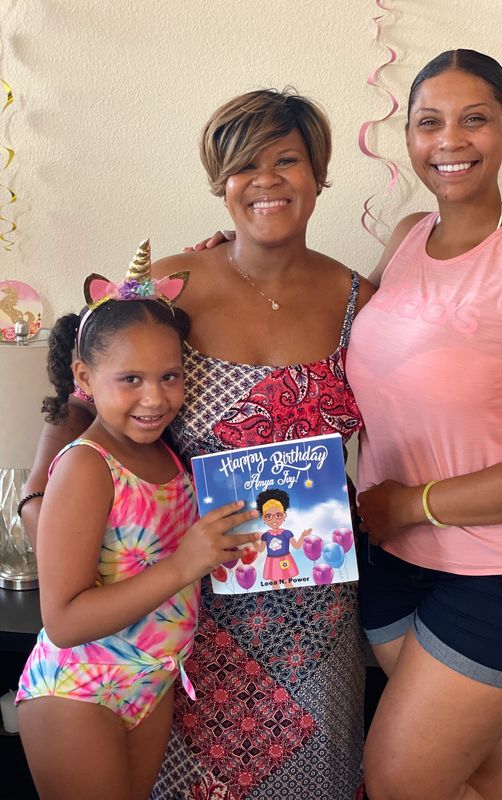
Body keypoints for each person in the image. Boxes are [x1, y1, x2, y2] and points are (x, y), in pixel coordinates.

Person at [21, 91, 375, 799]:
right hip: (179, 615)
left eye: (287, 162)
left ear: (319, 175)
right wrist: (39, 495)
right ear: (222, 182)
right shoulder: (171, 286)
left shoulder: (359, 301)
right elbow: (86, 385)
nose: (267, 181)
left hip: (313, 605)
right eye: (246, 166)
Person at [345, 50, 502, 800]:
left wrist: (411, 504)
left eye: (474, 119)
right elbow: (353, 330)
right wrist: (233, 260)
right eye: (429, 122)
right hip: (396, 558)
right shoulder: (406, 237)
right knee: (477, 768)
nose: (449, 140)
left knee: (397, 780)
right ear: (410, 139)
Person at [16, 242, 260, 800]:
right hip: (78, 691)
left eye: (170, 376)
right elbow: (65, 620)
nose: (155, 398)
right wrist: (185, 563)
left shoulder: (167, 455)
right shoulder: (85, 465)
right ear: (84, 374)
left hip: (151, 683)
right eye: (130, 380)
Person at [255, 488, 311, 587]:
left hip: (285, 559)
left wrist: (302, 536)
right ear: (264, 518)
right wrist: (252, 541)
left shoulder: (287, 533)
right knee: (274, 584)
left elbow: (297, 546)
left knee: (287, 582)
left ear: (284, 516)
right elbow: (260, 549)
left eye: (278, 515)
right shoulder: (266, 536)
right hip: (272, 561)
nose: (274, 520)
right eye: (268, 516)